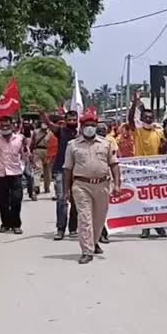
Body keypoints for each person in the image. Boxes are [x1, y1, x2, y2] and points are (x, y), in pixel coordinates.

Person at [63, 112, 121, 264]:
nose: (90, 128)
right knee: (85, 218)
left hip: (102, 185)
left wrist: (118, 184)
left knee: (99, 218)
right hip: (81, 186)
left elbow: (114, 164)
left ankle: (94, 242)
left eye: (93, 126)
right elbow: (67, 168)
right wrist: (66, 190)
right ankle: (86, 250)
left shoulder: (106, 143)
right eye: (87, 125)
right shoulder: (72, 145)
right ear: (81, 127)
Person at [128, 94, 167, 238]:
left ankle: (159, 226)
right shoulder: (137, 131)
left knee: (157, 200)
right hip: (140, 171)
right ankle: (145, 227)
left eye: (151, 117)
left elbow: (163, 150)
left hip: (156, 171)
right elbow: (130, 120)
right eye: (146, 117)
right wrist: (134, 103)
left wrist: (164, 144)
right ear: (142, 118)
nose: (149, 119)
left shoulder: (159, 132)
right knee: (143, 200)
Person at [40, 109, 79, 240]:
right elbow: (49, 123)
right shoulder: (60, 131)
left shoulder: (81, 134)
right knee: (62, 199)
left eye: (74, 120)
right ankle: (60, 229)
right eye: (70, 120)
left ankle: (73, 228)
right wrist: (42, 113)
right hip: (61, 170)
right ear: (66, 121)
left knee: (76, 200)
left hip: (77, 171)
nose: (72, 122)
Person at [0, 115, 30, 234]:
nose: (4, 126)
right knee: (3, 201)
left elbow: (25, 157)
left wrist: (25, 148)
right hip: (0, 173)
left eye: (7, 124)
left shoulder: (19, 139)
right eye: (2, 124)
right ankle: (5, 224)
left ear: (12, 125)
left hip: (15, 173)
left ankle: (16, 224)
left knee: (16, 199)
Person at [96, 121, 117, 245]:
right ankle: (96, 235)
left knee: (103, 209)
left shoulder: (110, 142)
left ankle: (102, 233)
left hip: (106, 179)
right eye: (98, 130)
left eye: (103, 131)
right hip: (90, 181)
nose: (101, 133)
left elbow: (114, 160)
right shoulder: (87, 143)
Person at [30, 119, 54, 195]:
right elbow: (32, 142)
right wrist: (31, 152)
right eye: (43, 122)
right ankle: (37, 186)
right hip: (38, 150)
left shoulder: (51, 132)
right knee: (38, 169)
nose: (44, 124)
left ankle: (46, 187)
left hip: (47, 151)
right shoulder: (36, 131)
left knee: (47, 170)